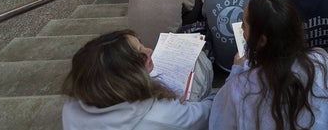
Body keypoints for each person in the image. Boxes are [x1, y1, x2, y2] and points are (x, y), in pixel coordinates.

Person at [209, 0, 328, 130]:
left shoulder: (240, 87)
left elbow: (220, 119)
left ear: (262, 41)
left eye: (244, 24)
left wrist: (236, 72)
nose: (242, 29)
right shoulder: (322, 61)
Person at [62, 30, 214, 130]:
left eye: (142, 45)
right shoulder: (162, 115)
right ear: (127, 75)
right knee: (199, 60)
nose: (150, 51)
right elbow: (203, 115)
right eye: (141, 54)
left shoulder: (71, 108)